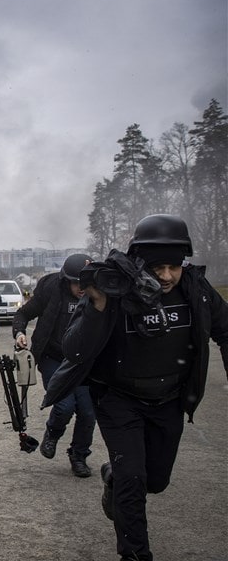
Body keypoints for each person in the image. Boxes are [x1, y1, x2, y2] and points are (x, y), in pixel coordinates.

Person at [56, 215, 228, 561]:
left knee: (155, 481)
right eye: (157, 267)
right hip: (120, 400)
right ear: (139, 262)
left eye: (173, 267)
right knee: (133, 480)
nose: (165, 276)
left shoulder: (195, 289)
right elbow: (72, 349)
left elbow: (226, 331)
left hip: (169, 400)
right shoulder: (113, 291)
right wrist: (98, 307)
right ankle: (135, 554)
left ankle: (112, 477)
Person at [12, 253, 96, 478]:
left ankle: (79, 456)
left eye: (85, 283)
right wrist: (20, 332)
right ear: (66, 280)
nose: (81, 289)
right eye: (76, 283)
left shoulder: (99, 296)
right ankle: (53, 433)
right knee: (64, 406)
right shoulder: (51, 290)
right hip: (53, 358)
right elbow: (23, 314)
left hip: (84, 362)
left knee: (88, 412)